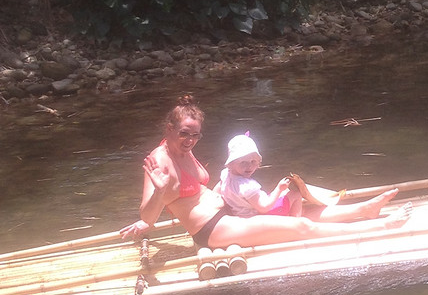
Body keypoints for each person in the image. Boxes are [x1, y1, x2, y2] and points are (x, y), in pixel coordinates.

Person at [120, 96, 404, 249]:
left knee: (295, 211)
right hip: (214, 228)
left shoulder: (184, 148)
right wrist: (157, 195)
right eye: (184, 134)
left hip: (231, 211)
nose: (190, 141)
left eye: (196, 135)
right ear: (168, 129)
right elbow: (149, 213)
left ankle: (362, 211)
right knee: (300, 227)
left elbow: (197, 188)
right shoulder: (158, 162)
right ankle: (377, 226)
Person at [216, 132, 390, 223]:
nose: (250, 167)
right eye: (243, 163)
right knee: (295, 196)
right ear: (231, 163)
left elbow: (218, 191)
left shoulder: (226, 175)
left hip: (242, 214)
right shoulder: (247, 186)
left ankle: (365, 209)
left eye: (253, 162)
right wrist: (279, 189)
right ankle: (295, 223)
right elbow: (264, 207)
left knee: (301, 206)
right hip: (256, 217)